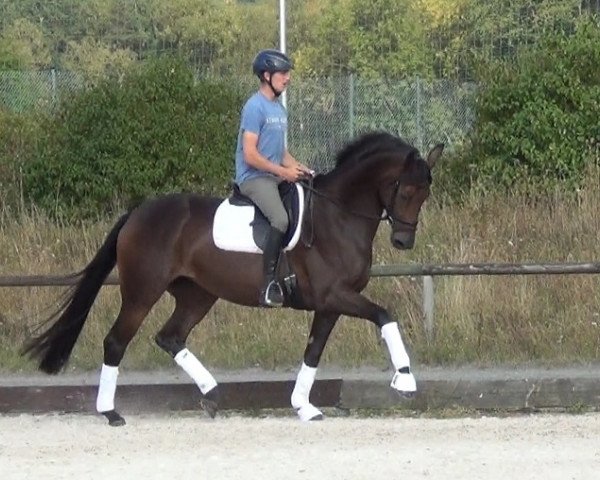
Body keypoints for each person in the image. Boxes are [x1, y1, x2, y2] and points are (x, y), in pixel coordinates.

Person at [235, 49, 313, 308]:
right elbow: (250, 154)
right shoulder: (254, 107)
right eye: (283, 73)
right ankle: (268, 284)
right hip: (254, 178)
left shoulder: (279, 109)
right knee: (280, 218)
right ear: (266, 76)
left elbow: (281, 153)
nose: (288, 78)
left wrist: (303, 170)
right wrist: (283, 173)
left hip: (273, 176)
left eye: (288, 73)